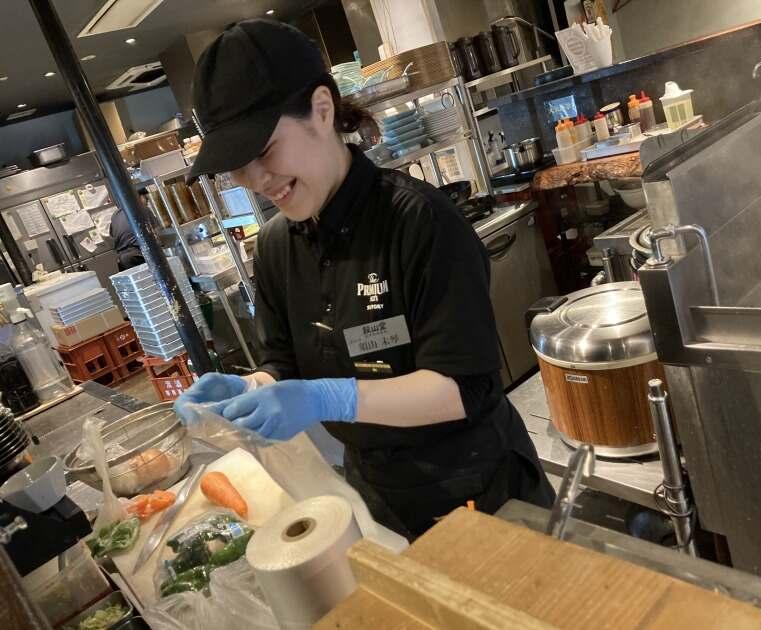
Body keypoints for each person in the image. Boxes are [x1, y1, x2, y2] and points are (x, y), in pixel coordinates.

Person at [174, 18, 554, 539]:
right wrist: (248, 388)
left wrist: (329, 398)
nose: (256, 181)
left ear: (322, 110)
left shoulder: (420, 221)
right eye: (236, 167)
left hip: (477, 484)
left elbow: (464, 388)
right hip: (373, 493)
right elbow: (283, 364)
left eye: (263, 151)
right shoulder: (275, 247)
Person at [109, 206, 145, 271]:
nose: (147, 202)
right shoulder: (142, 209)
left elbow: (111, 237)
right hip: (137, 254)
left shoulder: (116, 214)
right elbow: (157, 233)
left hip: (122, 258)